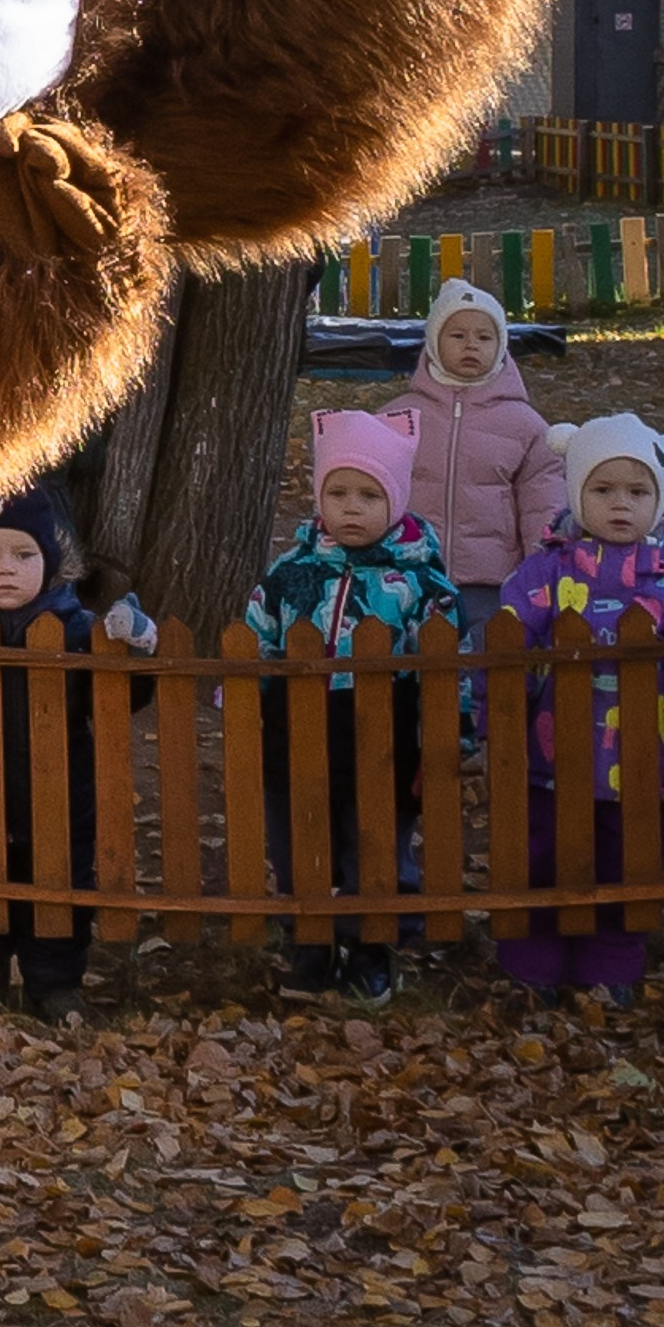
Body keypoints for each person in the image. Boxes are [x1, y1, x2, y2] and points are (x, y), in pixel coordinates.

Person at [490, 413, 664, 1004]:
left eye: (637, 492)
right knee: (542, 857)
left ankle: (610, 969)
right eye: (602, 489)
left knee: (628, 865)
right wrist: (489, 729)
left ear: (658, 498)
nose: (620, 505)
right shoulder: (545, 573)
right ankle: (532, 965)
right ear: (576, 492)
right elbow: (503, 653)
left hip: (642, 764)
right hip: (551, 758)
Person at [246, 407, 462, 998]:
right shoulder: (293, 573)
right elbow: (259, 638)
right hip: (300, 727)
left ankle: (371, 949)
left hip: (382, 735)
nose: (351, 507)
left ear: (394, 502)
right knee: (300, 842)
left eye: (369, 495)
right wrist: (248, 698)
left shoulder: (421, 585)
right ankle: (311, 946)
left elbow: (448, 667)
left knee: (373, 848)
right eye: (337, 492)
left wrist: (453, 730)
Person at [0, 486, 154, 1022]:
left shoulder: (75, 630)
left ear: (52, 561)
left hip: (58, 797)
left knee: (57, 892)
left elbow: (121, 702)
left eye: (23, 555)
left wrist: (134, 651)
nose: (5, 569)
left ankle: (54, 987)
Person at [382, 278, 562, 640]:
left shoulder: (525, 426)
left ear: (501, 346)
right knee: (415, 665)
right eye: (457, 335)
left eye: (484, 337)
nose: (471, 345)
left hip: (491, 580)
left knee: (485, 666)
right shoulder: (398, 418)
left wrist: (541, 571)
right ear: (433, 342)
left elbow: (544, 506)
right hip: (409, 575)